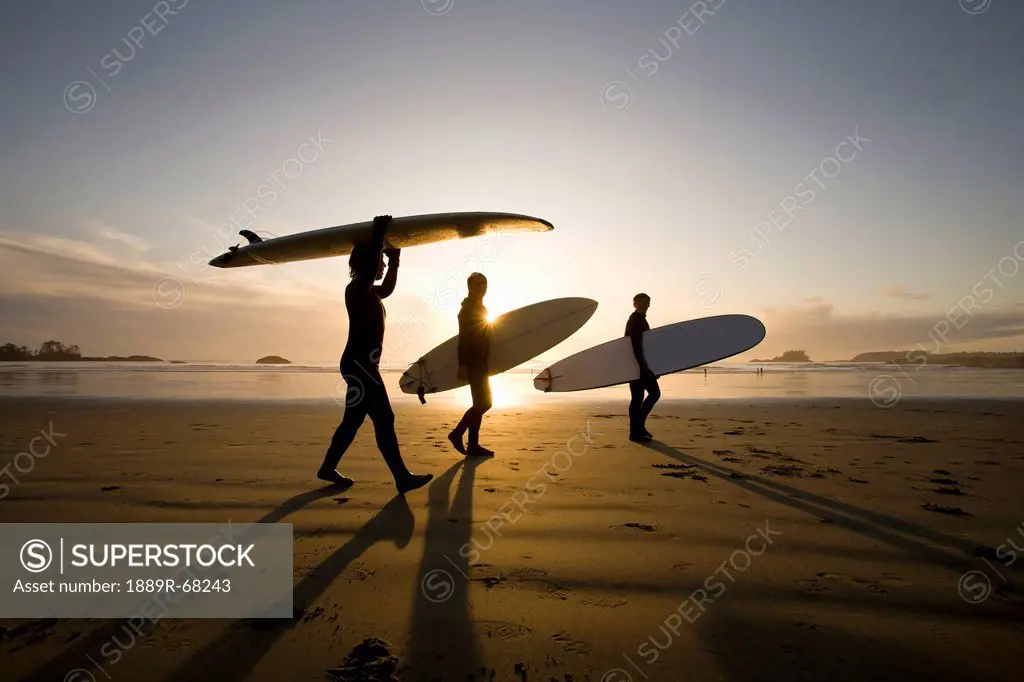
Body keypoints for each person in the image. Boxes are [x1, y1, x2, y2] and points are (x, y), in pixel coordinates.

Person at [318, 215, 433, 494]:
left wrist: (394, 260)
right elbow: (370, 274)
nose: (381, 266)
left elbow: (389, 288)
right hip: (361, 367)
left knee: (353, 420)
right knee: (384, 418)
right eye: (379, 262)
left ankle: (327, 468)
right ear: (366, 262)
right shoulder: (356, 289)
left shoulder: (371, 293)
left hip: (359, 366)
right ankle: (402, 477)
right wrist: (379, 235)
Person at [448, 273, 494, 457]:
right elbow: (464, 339)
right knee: (484, 403)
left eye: (485, 283)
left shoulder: (482, 309)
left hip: (481, 362)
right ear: (470, 287)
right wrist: (463, 365)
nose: (483, 286)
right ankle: (457, 433)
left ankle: (472, 444)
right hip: (473, 362)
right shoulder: (466, 310)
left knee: (480, 403)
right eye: (479, 283)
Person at [626, 293, 660, 443]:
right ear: (634, 304)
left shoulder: (641, 320)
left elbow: (647, 347)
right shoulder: (635, 321)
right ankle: (637, 429)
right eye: (639, 302)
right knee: (654, 393)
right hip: (638, 365)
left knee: (638, 398)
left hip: (637, 365)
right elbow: (635, 347)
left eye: (645, 302)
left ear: (649, 304)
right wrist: (644, 368)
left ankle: (637, 430)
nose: (642, 304)